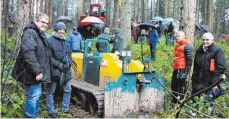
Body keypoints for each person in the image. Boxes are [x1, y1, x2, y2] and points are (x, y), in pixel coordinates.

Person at [11, 13, 51, 118]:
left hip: (37, 73)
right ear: (36, 21)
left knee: (36, 96)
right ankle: (30, 117)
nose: (45, 25)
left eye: (47, 23)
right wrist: (37, 71)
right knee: (33, 97)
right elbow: (28, 54)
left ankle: (33, 116)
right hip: (31, 73)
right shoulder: (30, 32)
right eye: (43, 22)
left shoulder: (39, 34)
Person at [46, 22, 73, 118]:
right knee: (51, 91)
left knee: (68, 89)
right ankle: (51, 111)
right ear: (56, 29)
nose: (62, 31)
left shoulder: (66, 41)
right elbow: (48, 57)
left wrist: (69, 63)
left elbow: (69, 54)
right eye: (60, 29)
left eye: (64, 29)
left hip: (66, 71)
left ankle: (65, 109)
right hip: (54, 70)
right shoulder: (50, 40)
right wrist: (59, 64)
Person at [191, 32, 226, 100]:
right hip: (197, 85)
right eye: (203, 40)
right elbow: (196, 68)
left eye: (207, 40)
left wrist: (213, 83)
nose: (205, 41)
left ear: (212, 40)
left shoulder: (217, 51)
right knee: (195, 103)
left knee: (208, 106)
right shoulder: (199, 51)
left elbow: (221, 67)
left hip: (209, 85)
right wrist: (193, 80)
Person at [171, 31, 193, 103]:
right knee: (173, 87)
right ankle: (174, 103)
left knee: (180, 89)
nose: (176, 37)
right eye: (176, 36)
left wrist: (185, 73)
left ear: (183, 37)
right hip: (176, 69)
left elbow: (189, 61)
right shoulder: (177, 46)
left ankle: (180, 104)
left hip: (182, 70)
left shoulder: (187, 46)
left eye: (178, 36)